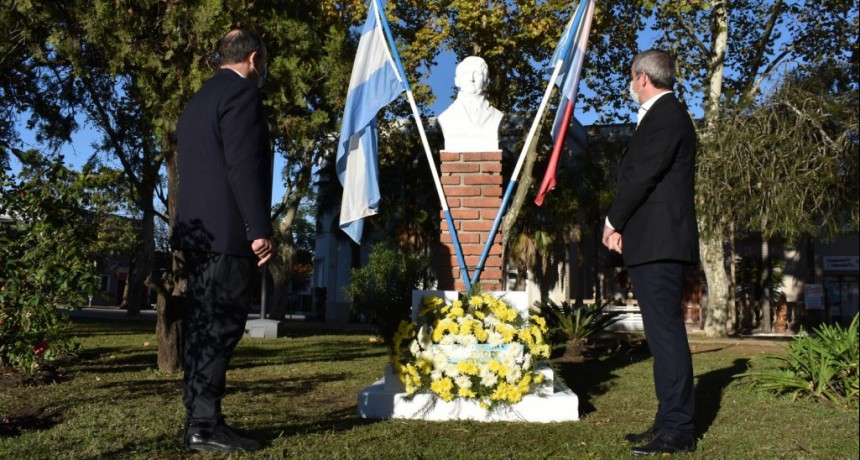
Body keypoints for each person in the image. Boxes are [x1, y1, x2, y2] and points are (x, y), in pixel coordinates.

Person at [172, 28, 274, 453]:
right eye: (263, 61)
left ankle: (199, 418)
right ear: (253, 58)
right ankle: (204, 425)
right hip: (228, 235)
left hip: (196, 235)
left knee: (201, 328)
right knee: (219, 328)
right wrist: (258, 229)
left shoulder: (198, 101)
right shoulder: (242, 96)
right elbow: (242, 166)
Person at [602, 49, 699, 456]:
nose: (630, 85)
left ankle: (678, 429)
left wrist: (614, 220)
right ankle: (666, 422)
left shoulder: (667, 115)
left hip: (661, 244)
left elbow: (642, 175)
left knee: (667, 336)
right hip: (652, 242)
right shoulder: (664, 115)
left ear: (642, 77)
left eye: (631, 77)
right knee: (661, 339)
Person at [437, 56, 504, 152]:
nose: (471, 78)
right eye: (466, 74)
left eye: (477, 74)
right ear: (457, 81)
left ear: (486, 81)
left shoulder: (496, 116)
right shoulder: (446, 117)